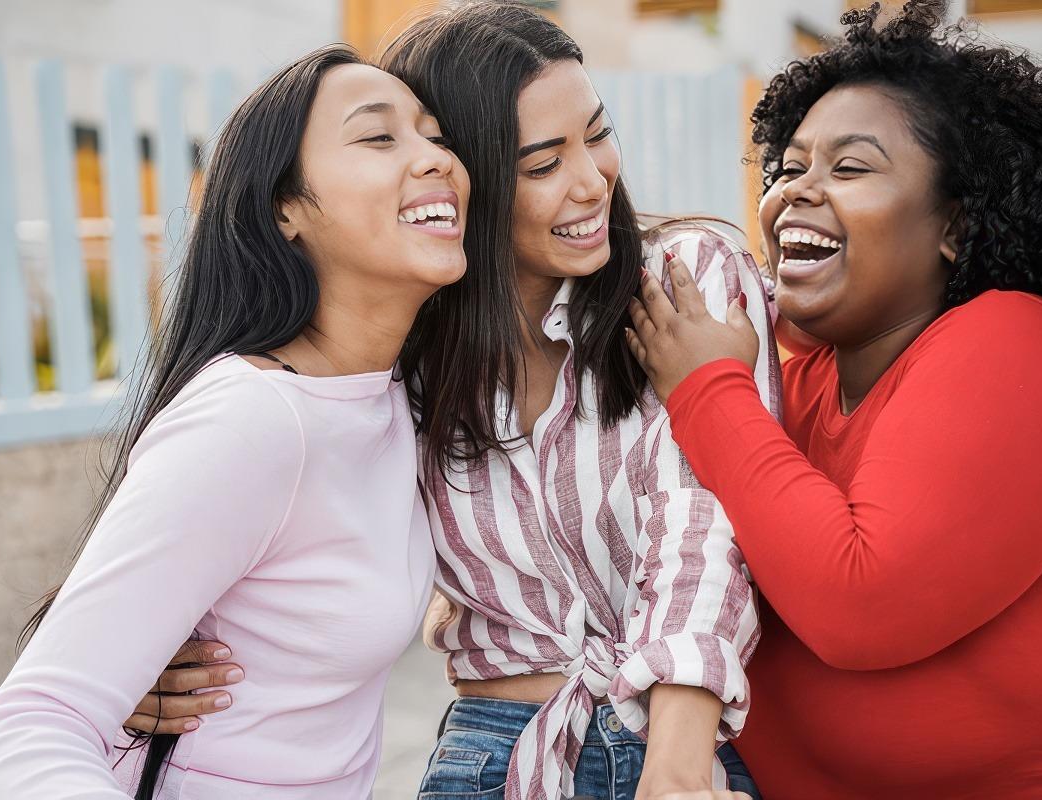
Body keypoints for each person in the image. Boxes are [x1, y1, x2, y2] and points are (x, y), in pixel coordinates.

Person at [130, 4, 775, 798]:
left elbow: (704, 528)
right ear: (466, 176)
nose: (591, 181)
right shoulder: (409, 350)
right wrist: (142, 651)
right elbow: (272, 500)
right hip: (487, 755)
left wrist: (677, 772)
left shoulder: (686, 275)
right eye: (541, 165)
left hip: (677, 744)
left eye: (597, 134)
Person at [627, 2, 1042, 798]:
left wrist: (705, 388)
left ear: (954, 227)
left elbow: (860, 606)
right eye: (788, 168)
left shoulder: (1021, 344)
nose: (798, 192)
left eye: (849, 169)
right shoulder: (798, 380)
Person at [0, 45, 470, 799]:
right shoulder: (253, 418)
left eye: (437, 135)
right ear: (286, 209)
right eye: (378, 137)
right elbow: (32, 726)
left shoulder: (401, 396)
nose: (435, 159)